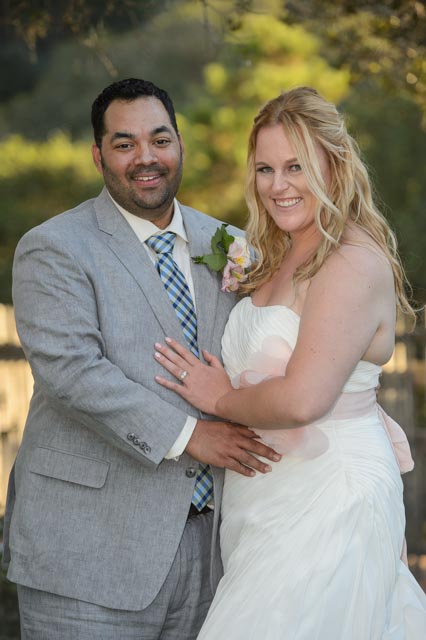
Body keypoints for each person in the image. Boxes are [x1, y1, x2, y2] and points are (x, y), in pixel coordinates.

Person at [2, 78, 281, 640]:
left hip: (216, 556)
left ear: (180, 145)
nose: (146, 157)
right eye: (124, 143)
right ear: (98, 154)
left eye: (159, 139)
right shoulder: (53, 247)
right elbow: (72, 372)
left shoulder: (233, 245)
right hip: (87, 554)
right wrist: (191, 435)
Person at [154, 86, 426, 638]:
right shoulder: (276, 251)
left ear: (335, 164)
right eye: (265, 169)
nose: (278, 186)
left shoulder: (350, 259)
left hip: (331, 493)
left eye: (296, 166)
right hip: (263, 497)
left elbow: (304, 398)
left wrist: (220, 397)